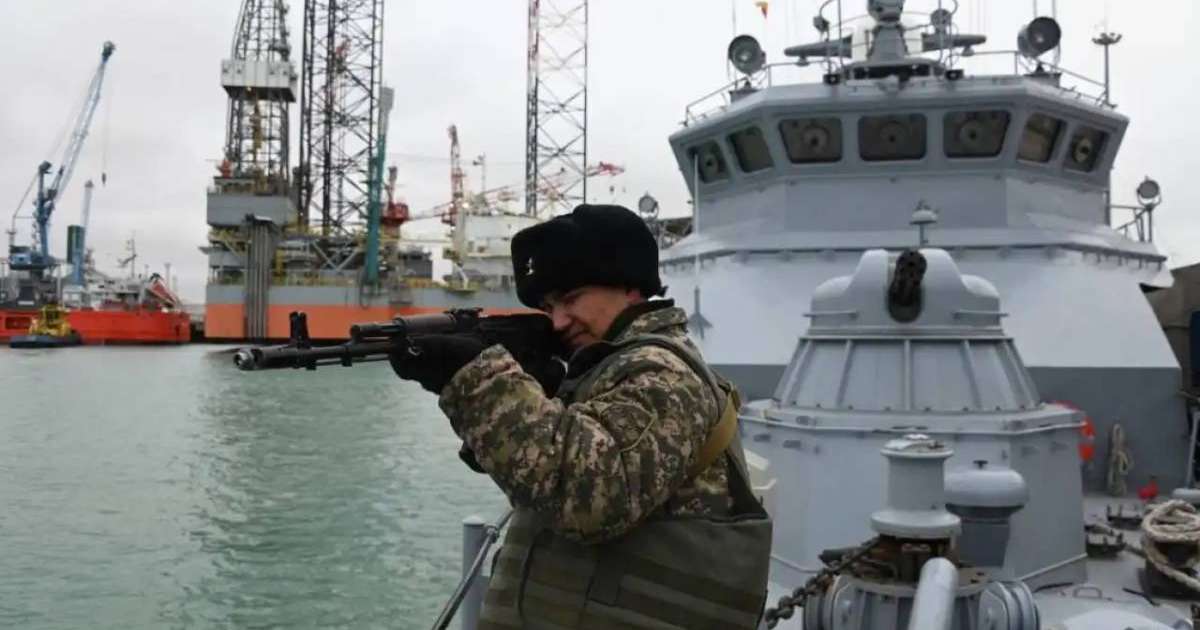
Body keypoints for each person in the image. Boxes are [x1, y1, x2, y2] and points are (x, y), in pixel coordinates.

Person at [392, 204, 771, 629]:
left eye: (570, 299)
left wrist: (480, 383)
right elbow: (542, 474)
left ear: (629, 287)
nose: (557, 321)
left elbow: (590, 497)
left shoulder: (661, 371)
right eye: (549, 305)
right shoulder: (606, 368)